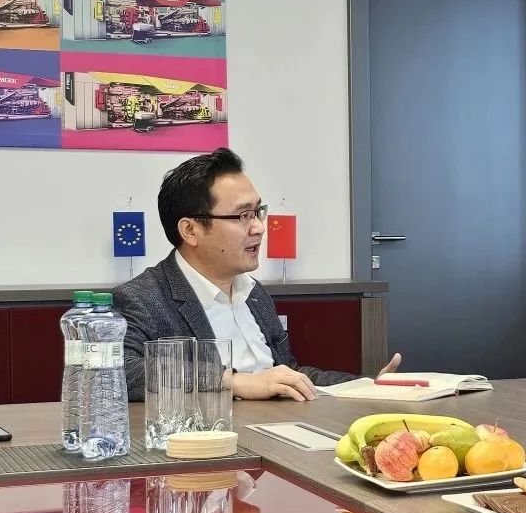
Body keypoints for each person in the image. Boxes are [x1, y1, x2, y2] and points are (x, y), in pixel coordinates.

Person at [114, 148, 400, 401]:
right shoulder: (143, 298)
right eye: (243, 216)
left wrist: (366, 387)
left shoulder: (253, 293)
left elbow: (285, 374)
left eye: (257, 212)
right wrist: (234, 382)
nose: (259, 228)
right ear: (190, 230)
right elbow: (120, 372)